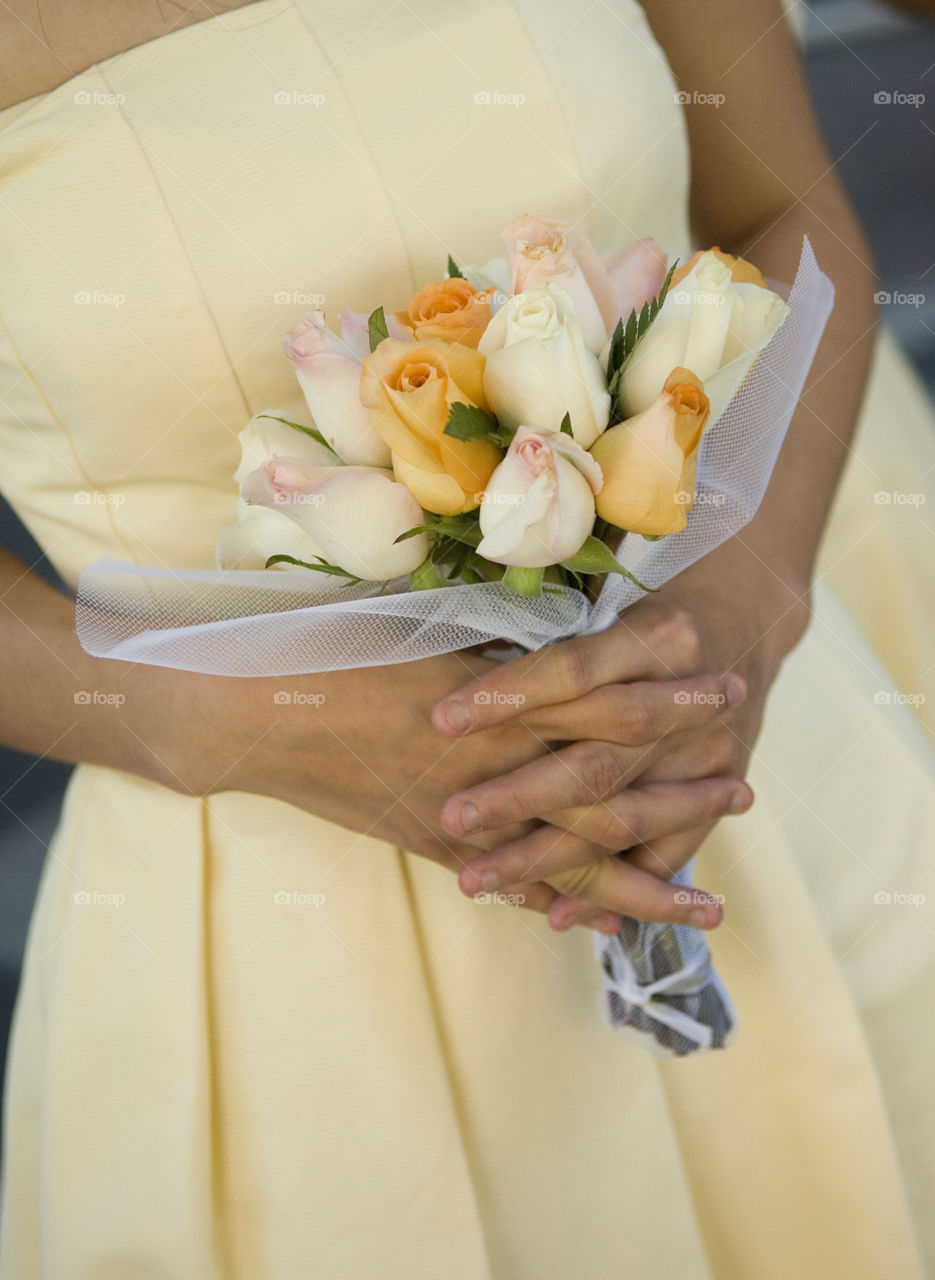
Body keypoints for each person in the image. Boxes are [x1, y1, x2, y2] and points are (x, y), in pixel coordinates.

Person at [0, 0, 933, 1275]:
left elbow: (788, 211)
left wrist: (745, 606)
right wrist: (215, 719)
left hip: (739, 766)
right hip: (284, 914)